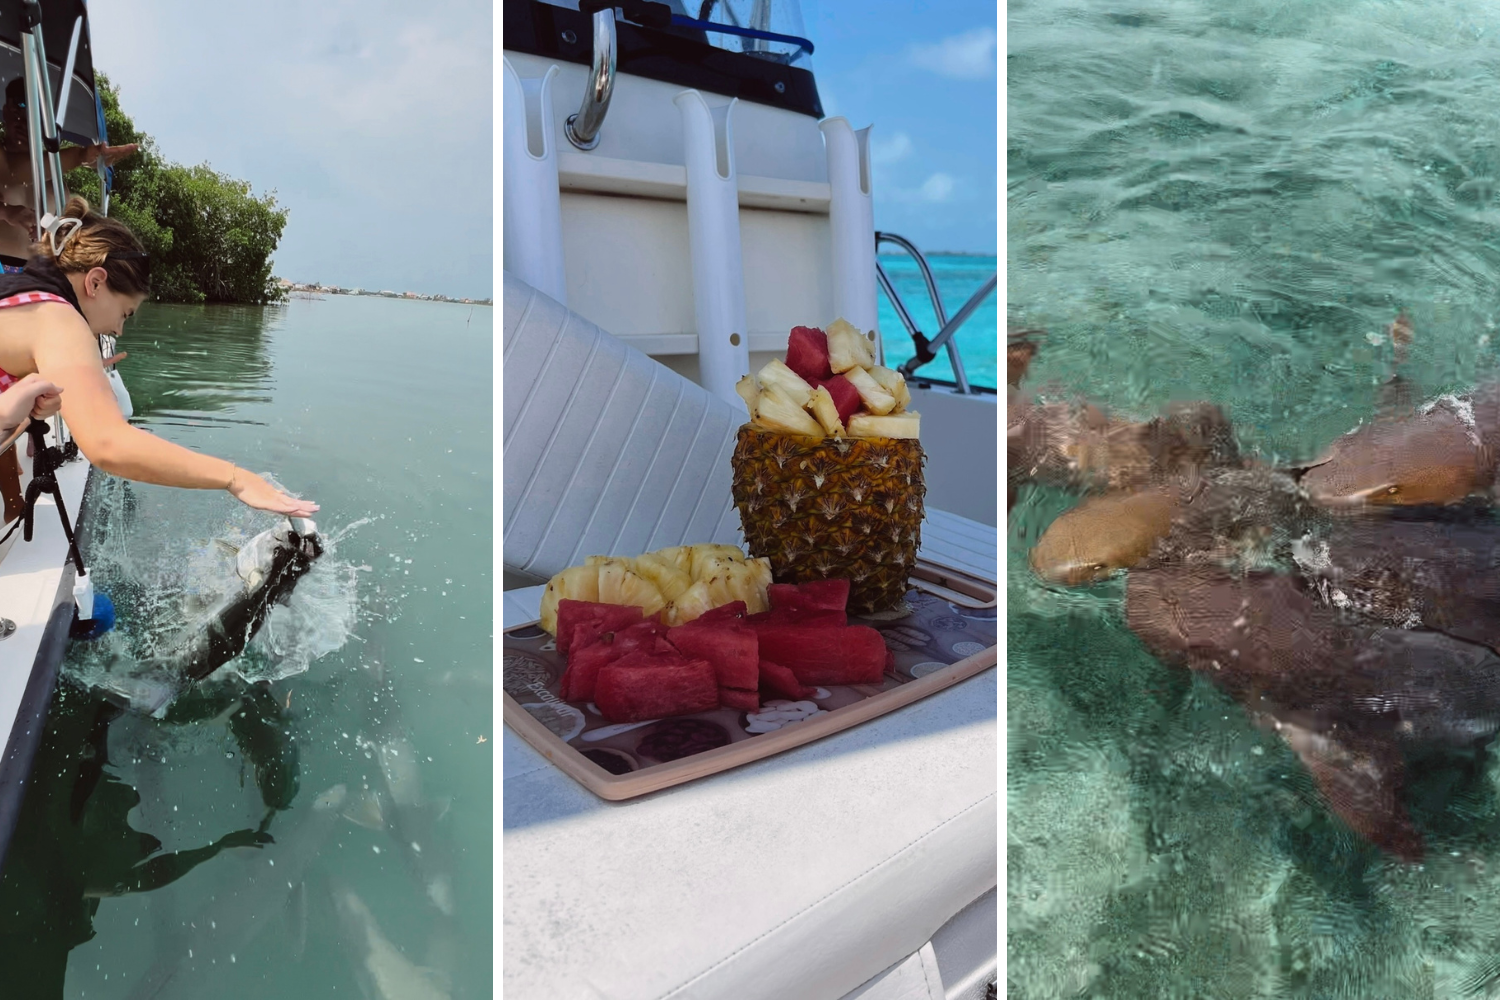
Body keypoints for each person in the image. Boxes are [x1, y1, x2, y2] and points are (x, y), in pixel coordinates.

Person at [0, 194, 317, 516]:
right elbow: (108, 445)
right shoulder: (60, 319)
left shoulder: (21, 296)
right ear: (95, 282)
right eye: (126, 313)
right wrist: (236, 479)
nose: (118, 330)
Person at [0, 77, 139, 269]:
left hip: (38, 277)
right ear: (6, 111)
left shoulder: (57, 185)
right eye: (18, 110)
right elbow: (13, 171)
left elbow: (61, 241)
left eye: (32, 115)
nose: (23, 121)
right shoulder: (5, 163)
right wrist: (8, 212)